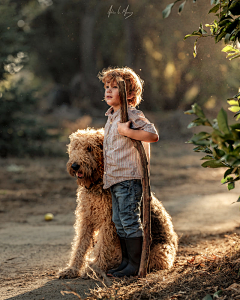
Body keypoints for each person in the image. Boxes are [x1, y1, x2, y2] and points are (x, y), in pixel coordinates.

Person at [98, 67, 159, 277]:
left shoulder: (131, 114)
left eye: (115, 87)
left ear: (130, 94)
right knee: (119, 220)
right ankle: (126, 262)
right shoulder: (111, 116)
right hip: (115, 178)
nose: (108, 90)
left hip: (129, 178)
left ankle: (136, 264)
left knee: (129, 219)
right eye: (107, 86)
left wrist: (129, 131)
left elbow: (152, 135)